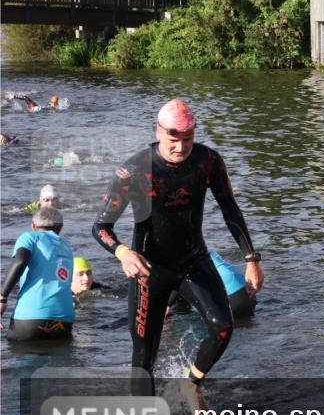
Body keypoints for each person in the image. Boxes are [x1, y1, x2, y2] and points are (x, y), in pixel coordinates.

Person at [93, 99, 264, 398]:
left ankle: (191, 384)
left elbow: (230, 210)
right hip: (150, 270)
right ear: (159, 131)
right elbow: (100, 227)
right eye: (174, 139)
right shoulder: (134, 170)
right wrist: (123, 252)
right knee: (144, 359)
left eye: (188, 139)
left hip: (193, 261)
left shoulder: (208, 161)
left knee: (223, 327)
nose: (181, 147)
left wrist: (252, 259)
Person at [0, 207, 75, 340]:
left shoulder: (29, 237)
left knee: (15, 356)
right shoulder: (66, 246)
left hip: (30, 318)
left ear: (33, 226)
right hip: (65, 320)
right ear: (61, 227)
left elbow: (20, 261)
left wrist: (2, 297)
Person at [168, 250, 257, 321]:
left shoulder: (178, 256)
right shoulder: (199, 248)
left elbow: (179, 280)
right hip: (248, 296)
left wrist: (167, 306)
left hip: (232, 301)